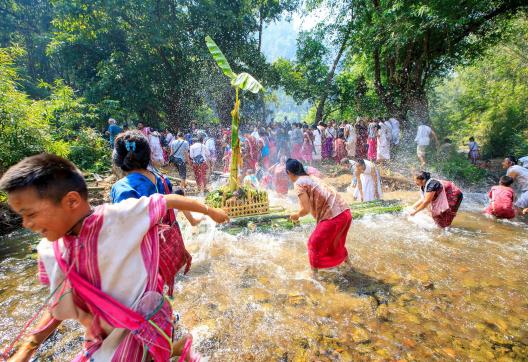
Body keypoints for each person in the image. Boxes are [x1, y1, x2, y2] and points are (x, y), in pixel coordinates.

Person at [0, 153, 228, 361]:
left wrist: (210, 211)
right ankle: (176, 350)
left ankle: (173, 349)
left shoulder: (118, 217)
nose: (26, 224)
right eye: (21, 216)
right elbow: (58, 304)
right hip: (102, 336)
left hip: (143, 321)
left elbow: (167, 200)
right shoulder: (50, 251)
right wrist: (27, 347)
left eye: (30, 214)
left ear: (71, 201)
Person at [287, 159, 352, 276]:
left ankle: (314, 278)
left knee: (313, 243)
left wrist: (296, 215)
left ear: (289, 173)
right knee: (337, 242)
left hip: (333, 217)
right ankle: (350, 267)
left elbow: (305, 209)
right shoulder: (312, 177)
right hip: (345, 212)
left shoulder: (298, 183)